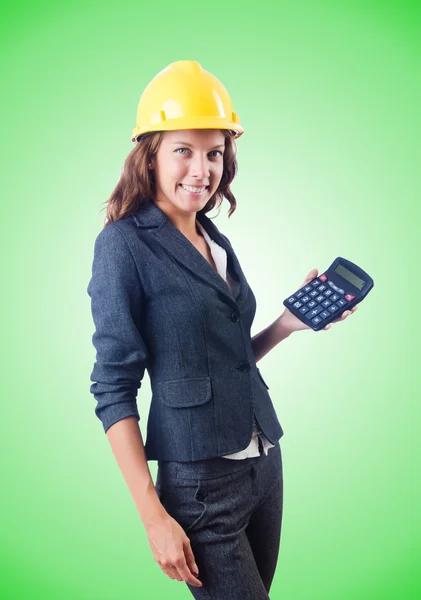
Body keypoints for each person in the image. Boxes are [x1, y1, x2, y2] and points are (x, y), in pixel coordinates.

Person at [87, 60, 357, 599]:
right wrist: (152, 515)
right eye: (183, 149)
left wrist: (287, 324)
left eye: (214, 153)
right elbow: (112, 388)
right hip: (199, 484)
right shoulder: (124, 245)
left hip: (264, 467)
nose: (201, 168)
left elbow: (222, 359)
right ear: (151, 154)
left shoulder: (212, 236)